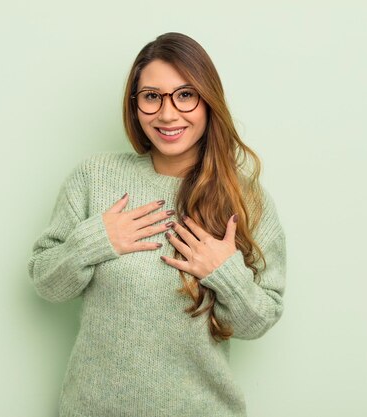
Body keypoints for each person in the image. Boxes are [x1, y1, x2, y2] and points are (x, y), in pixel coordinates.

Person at [27, 32, 286, 417]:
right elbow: (47, 283)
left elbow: (257, 321)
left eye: (185, 95)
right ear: (135, 106)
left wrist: (225, 272)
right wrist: (95, 241)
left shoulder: (244, 197)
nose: (167, 114)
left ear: (208, 101)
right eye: (152, 96)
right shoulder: (94, 177)